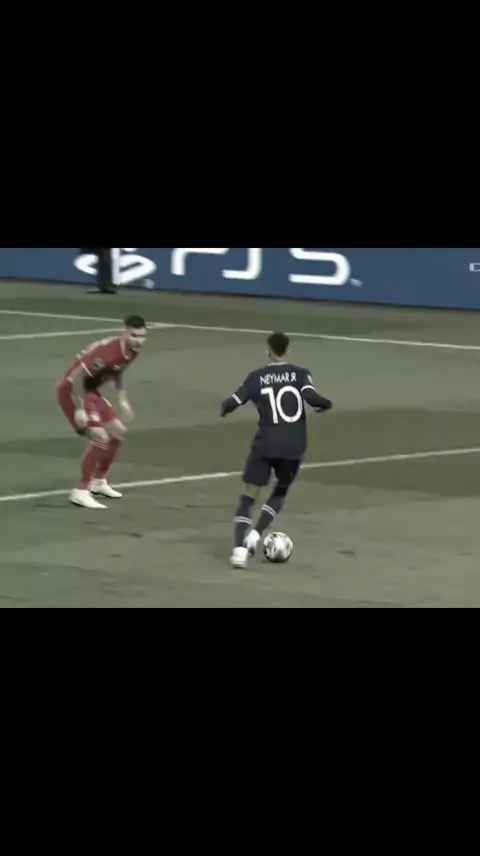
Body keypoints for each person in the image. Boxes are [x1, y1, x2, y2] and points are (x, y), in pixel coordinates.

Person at [221, 332, 333, 568]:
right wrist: (325, 405)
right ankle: (256, 534)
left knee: (249, 495)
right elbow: (311, 397)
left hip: (267, 443)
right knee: (280, 491)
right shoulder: (301, 374)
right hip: (294, 445)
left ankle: (239, 551)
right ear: (288, 351)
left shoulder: (255, 378)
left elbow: (233, 401)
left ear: (268, 352)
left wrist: (224, 409)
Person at [55, 315, 147, 508]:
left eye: (142, 336)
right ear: (125, 333)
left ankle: (98, 482)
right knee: (100, 436)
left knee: (117, 433)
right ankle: (81, 491)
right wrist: (80, 409)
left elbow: (118, 371)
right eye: (134, 336)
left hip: (91, 391)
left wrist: (123, 400)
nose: (139, 341)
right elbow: (77, 379)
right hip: (73, 390)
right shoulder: (107, 353)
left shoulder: (132, 351)